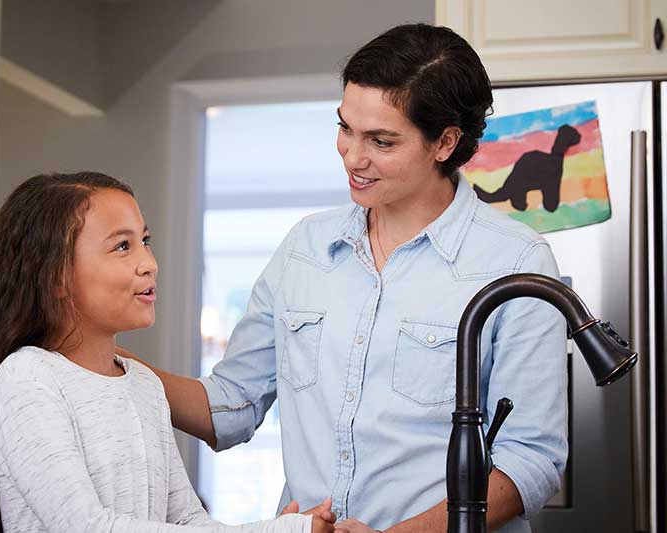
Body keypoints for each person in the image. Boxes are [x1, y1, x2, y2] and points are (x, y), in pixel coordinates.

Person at [132, 24, 568, 533]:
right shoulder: (305, 248)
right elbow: (232, 406)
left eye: (381, 141)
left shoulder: (516, 261)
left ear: (445, 142)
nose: (353, 158)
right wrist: (102, 364)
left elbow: (530, 461)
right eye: (345, 129)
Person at [0, 172, 336, 533]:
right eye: (122, 246)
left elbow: (187, 520)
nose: (149, 263)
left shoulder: (144, 385)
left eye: (144, 241)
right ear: (56, 275)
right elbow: (87, 527)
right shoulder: (28, 378)